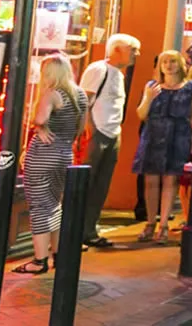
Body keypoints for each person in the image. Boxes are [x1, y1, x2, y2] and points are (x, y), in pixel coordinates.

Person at [16, 55, 89, 274]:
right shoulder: (80, 95)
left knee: (39, 207)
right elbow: (81, 127)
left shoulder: (51, 93)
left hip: (42, 155)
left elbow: (39, 119)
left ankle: (39, 260)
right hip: (64, 153)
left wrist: (39, 127)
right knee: (54, 205)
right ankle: (58, 253)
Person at [78, 33, 139, 249]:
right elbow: (84, 100)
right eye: (132, 50)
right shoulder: (98, 69)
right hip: (97, 133)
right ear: (117, 50)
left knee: (101, 185)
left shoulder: (119, 75)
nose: (136, 55)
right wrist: (89, 129)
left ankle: (89, 229)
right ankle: (75, 230)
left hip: (112, 133)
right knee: (86, 182)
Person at [133, 50, 192, 245]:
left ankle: (164, 225)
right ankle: (150, 222)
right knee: (150, 180)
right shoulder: (152, 86)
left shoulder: (190, 87)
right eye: (165, 62)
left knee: (171, 180)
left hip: (178, 134)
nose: (169, 65)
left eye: (173, 62)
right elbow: (141, 114)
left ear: (180, 65)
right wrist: (149, 98)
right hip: (153, 134)